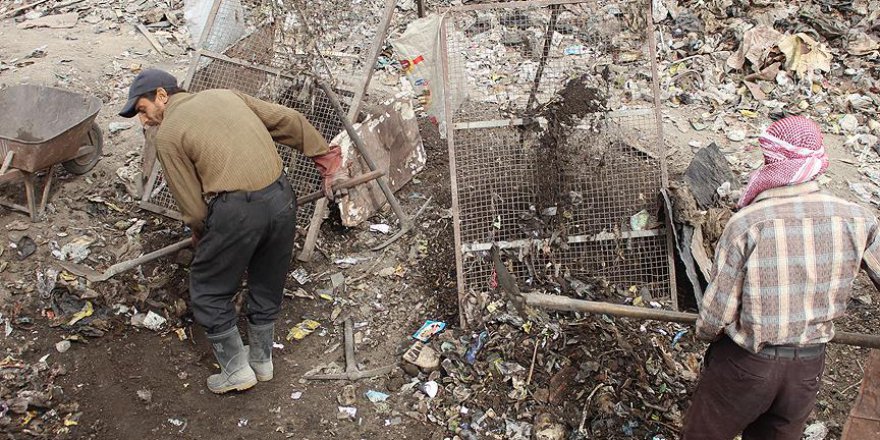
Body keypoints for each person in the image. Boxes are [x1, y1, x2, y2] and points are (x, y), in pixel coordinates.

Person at [119, 69, 345, 394]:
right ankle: (262, 361)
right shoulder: (225, 95)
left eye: (142, 109)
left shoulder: (168, 134)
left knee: (208, 289)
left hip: (237, 211)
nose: (143, 120)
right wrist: (327, 161)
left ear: (162, 95)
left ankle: (236, 370)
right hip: (282, 198)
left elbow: (194, 209)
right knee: (267, 278)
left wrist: (203, 237)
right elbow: (289, 120)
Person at [681, 116, 880, 439]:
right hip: (807, 371)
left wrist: (705, 334)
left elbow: (717, 314)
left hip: (747, 364)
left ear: (770, 160)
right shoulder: (859, 219)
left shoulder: (748, 224)